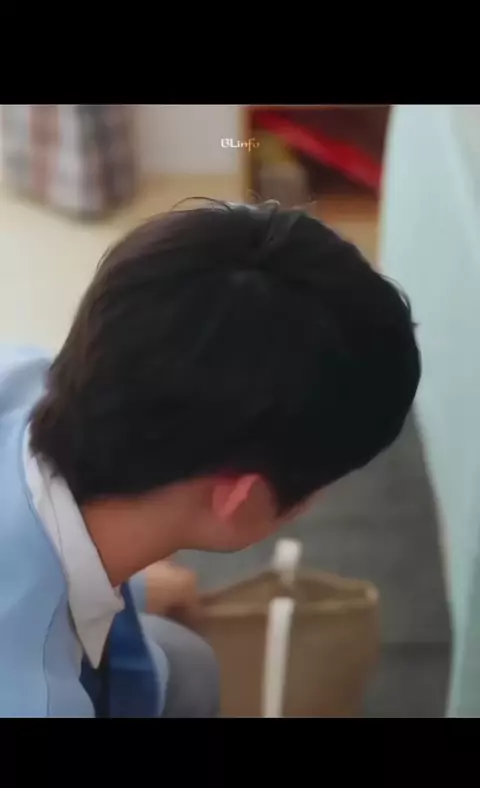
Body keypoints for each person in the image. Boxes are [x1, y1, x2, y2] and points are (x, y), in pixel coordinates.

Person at [0, 199, 421, 717]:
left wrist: (128, 585)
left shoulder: (23, 370)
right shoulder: (36, 698)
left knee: (184, 663)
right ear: (240, 498)